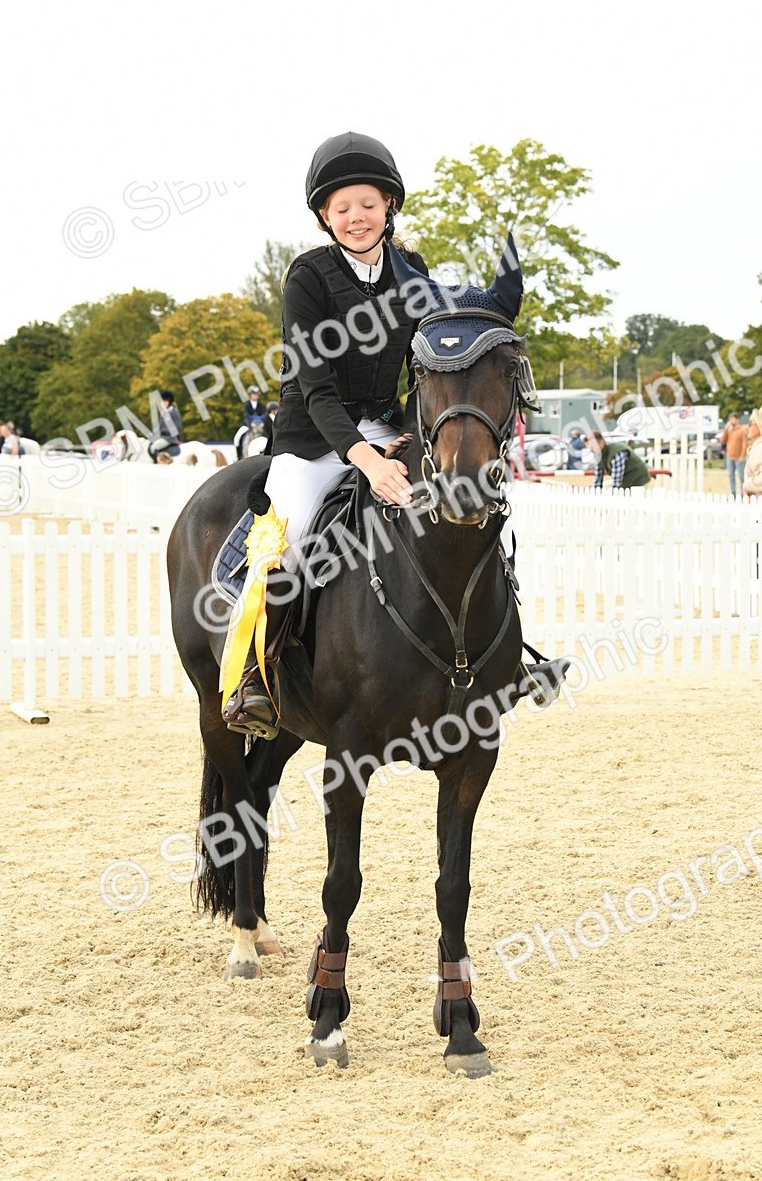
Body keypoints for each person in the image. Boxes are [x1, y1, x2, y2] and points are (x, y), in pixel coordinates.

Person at [223, 132, 568, 738]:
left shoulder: (413, 274)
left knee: (473, 508)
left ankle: (507, 658)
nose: (357, 216)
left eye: (368, 204)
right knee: (293, 534)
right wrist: (367, 462)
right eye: (342, 207)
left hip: (390, 426)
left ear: (388, 207)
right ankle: (258, 676)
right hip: (312, 438)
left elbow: (432, 365)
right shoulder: (307, 277)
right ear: (325, 217)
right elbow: (315, 388)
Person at [586, 431, 651, 490]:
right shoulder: (599, 455)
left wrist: (612, 494)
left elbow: (617, 480)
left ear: (601, 442)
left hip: (639, 480)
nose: (591, 450)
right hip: (626, 481)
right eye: (590, 447)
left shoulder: (616, 452)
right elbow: (598, 477)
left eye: (593, 447)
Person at [149, 390, 183, 463]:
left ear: (169, 402)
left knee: (153, 447)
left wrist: (163, 431)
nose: (163, 404)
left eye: (165, 402)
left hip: (169, 438)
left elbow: (178, 427)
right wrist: (153, 433)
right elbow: (159, 426)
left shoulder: (174, 413)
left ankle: (156, 464)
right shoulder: (164, 413)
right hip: (162, 437)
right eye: (162, 402)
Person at [719, 412, 747, 497]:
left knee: (741, 475)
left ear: (737, 420)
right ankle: (733, 492)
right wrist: (726, 429)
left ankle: (743, 493)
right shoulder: (729, 430)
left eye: (733, 419)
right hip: (730, 456)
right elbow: (722, 440)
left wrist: (742, 455)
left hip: (739, 457)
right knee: (731, 475)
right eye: (730, 419)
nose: (732, 421)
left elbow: (744, 443)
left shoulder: (742, 430)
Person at [742, 409, 762, 497]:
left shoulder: (760, 448)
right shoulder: (756, 447)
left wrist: (747, 485)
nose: (746, 427)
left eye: (750, 423)